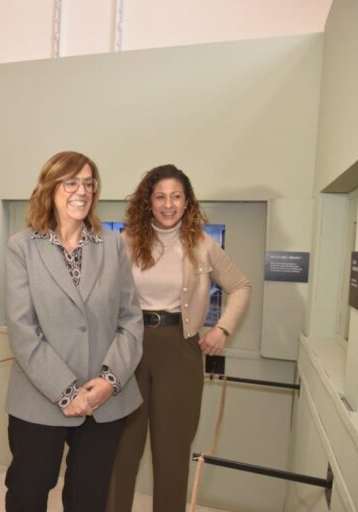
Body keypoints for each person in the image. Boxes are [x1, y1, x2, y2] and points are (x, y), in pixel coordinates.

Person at [4, 151, 145, 512]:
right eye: (72, 182)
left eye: (88, 183)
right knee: (27, 494)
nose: (82, 190)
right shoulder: (23, 247)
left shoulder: (113, 246)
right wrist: (67, 392)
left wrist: (109, 380)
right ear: (50, 188)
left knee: (89, 498)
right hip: (40, 398)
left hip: (104, 401)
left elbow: (130, 320)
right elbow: (23, 329)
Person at [106, 164, 251, 512]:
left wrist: (223, 328)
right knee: (121, 450)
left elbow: (241, 287)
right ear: (148, 201)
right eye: (160, 197)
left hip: (180, 351)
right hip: (129, 348)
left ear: (187, 202)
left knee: (172, 454)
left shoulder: (202, 245)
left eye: (176, 196)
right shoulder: (123, 243)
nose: (168, 204)